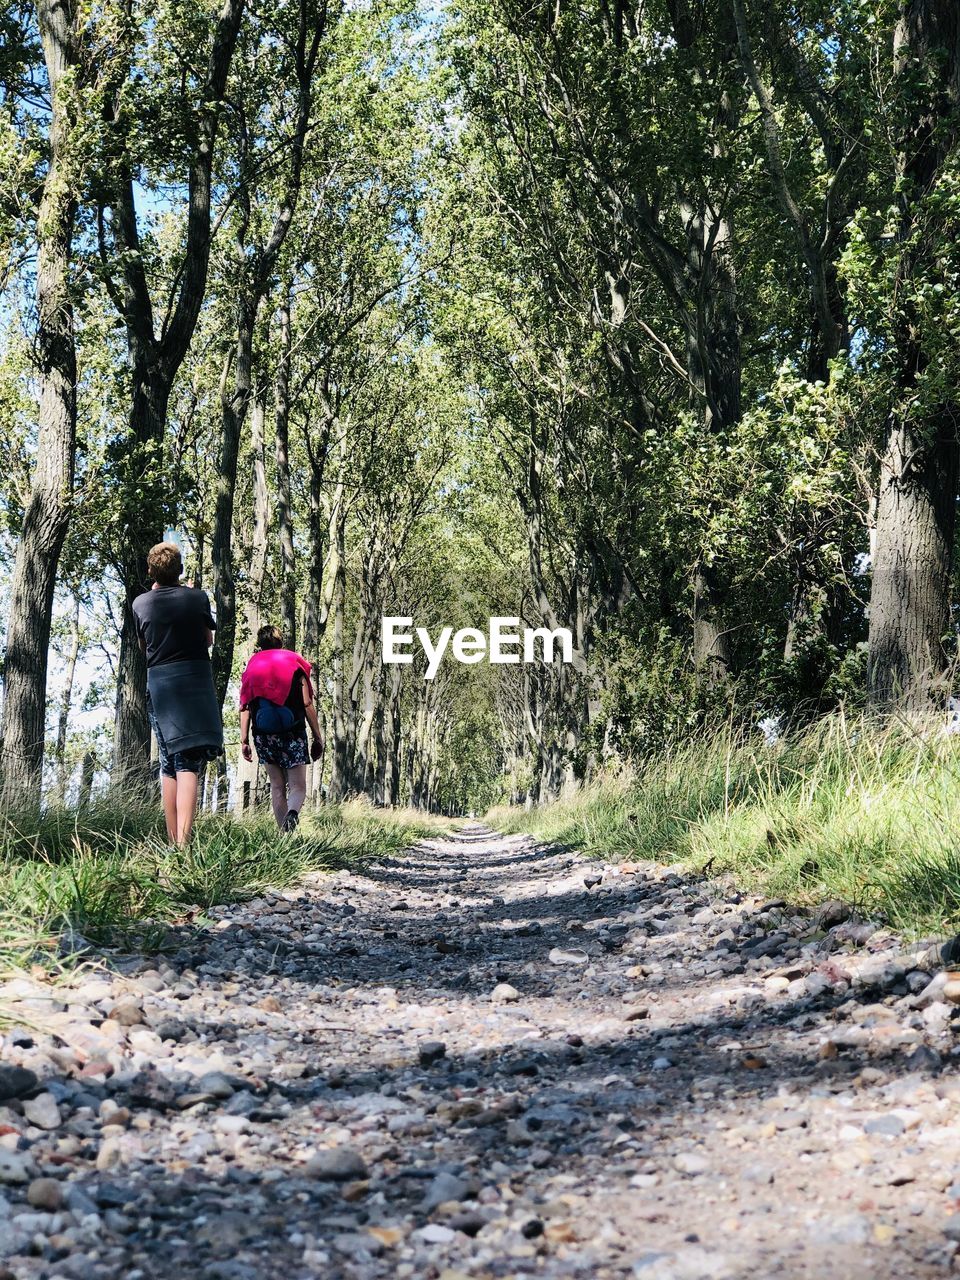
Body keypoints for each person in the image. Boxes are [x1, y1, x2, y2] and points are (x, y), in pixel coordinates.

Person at [132, 542, 224, 846]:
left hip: (160, 685)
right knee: (188, 763)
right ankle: (184, 843)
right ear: (180, 570)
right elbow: (208, 640)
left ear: (150, 571)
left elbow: (145, 647)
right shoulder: (197, 597)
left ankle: (174, 842)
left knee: (169, 763)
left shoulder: (141, 604)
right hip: (195, 682)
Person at [239, 625, 323, 830]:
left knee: (276, 787)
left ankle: (283, 838)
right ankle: (293, 813)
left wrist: (244, 740)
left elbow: (245, 706)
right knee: (298, 787)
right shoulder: (295, 663)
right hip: (293, 732)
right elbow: (306, 703)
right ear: (281, 641)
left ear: (260, 644)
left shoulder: (252, 666)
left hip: (263, 735)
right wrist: (317, 736)